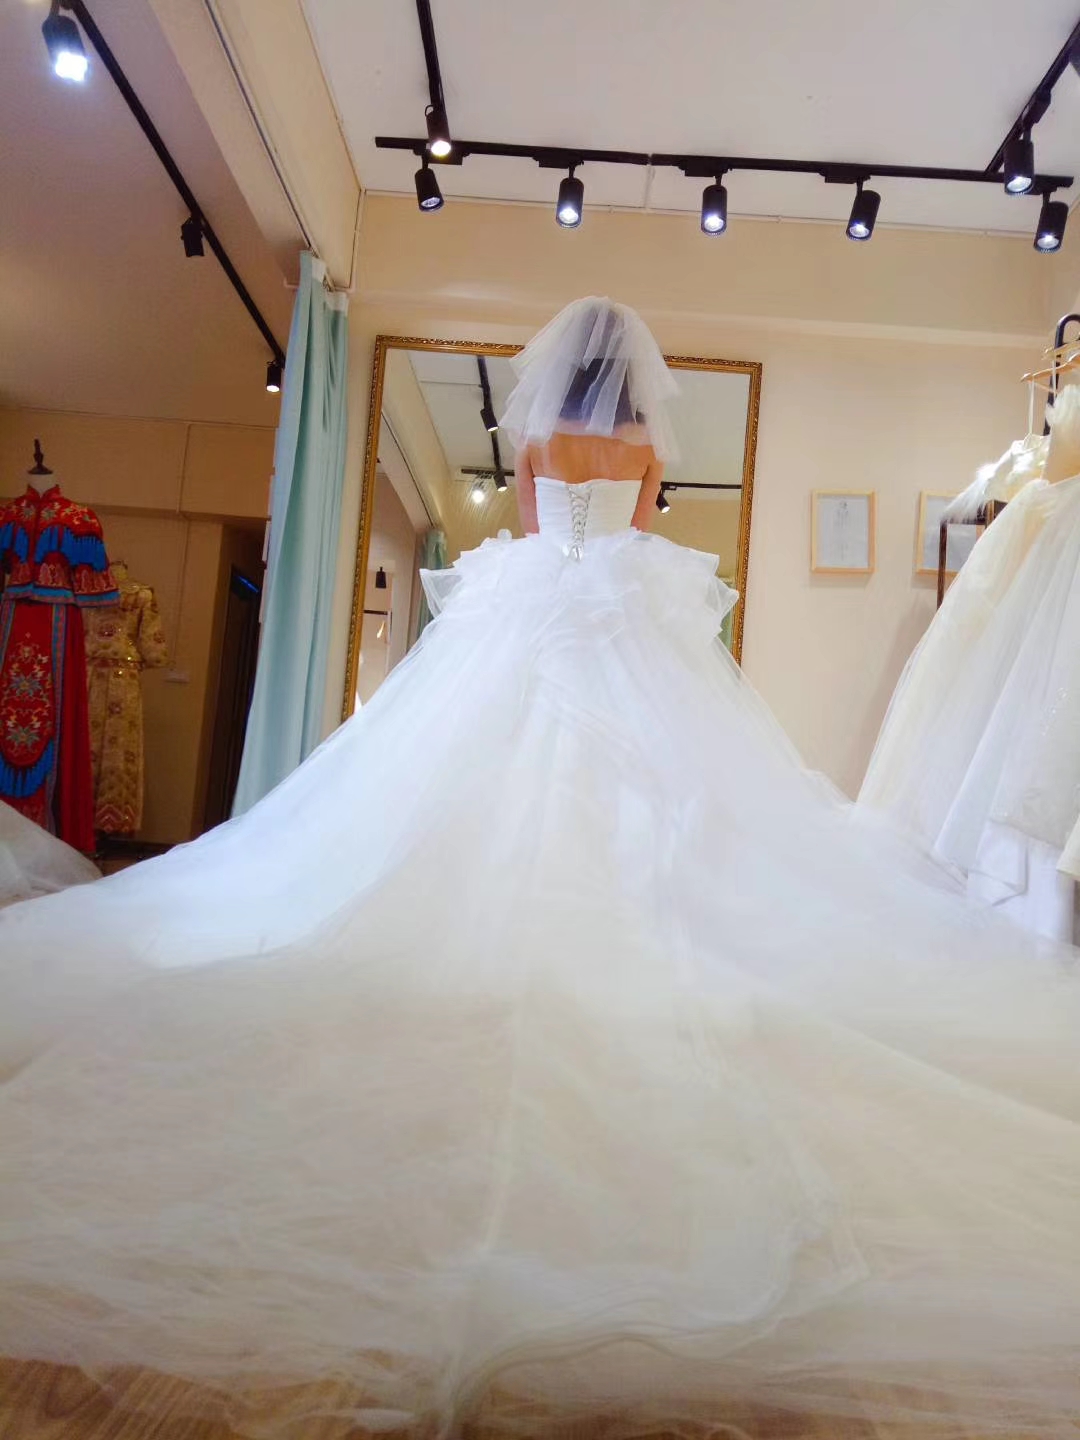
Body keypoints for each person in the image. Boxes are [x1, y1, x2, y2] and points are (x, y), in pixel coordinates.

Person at [0, 297, 1078, 1439]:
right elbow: (639, 522)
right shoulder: (645, 444)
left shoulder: (536, 440)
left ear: (560, 377)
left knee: (472, 769)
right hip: (623, 610)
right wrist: (611, 532)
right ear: (637, 383)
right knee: (649, 791)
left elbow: (530, 518)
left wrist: (558, 534)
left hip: (537, 603)